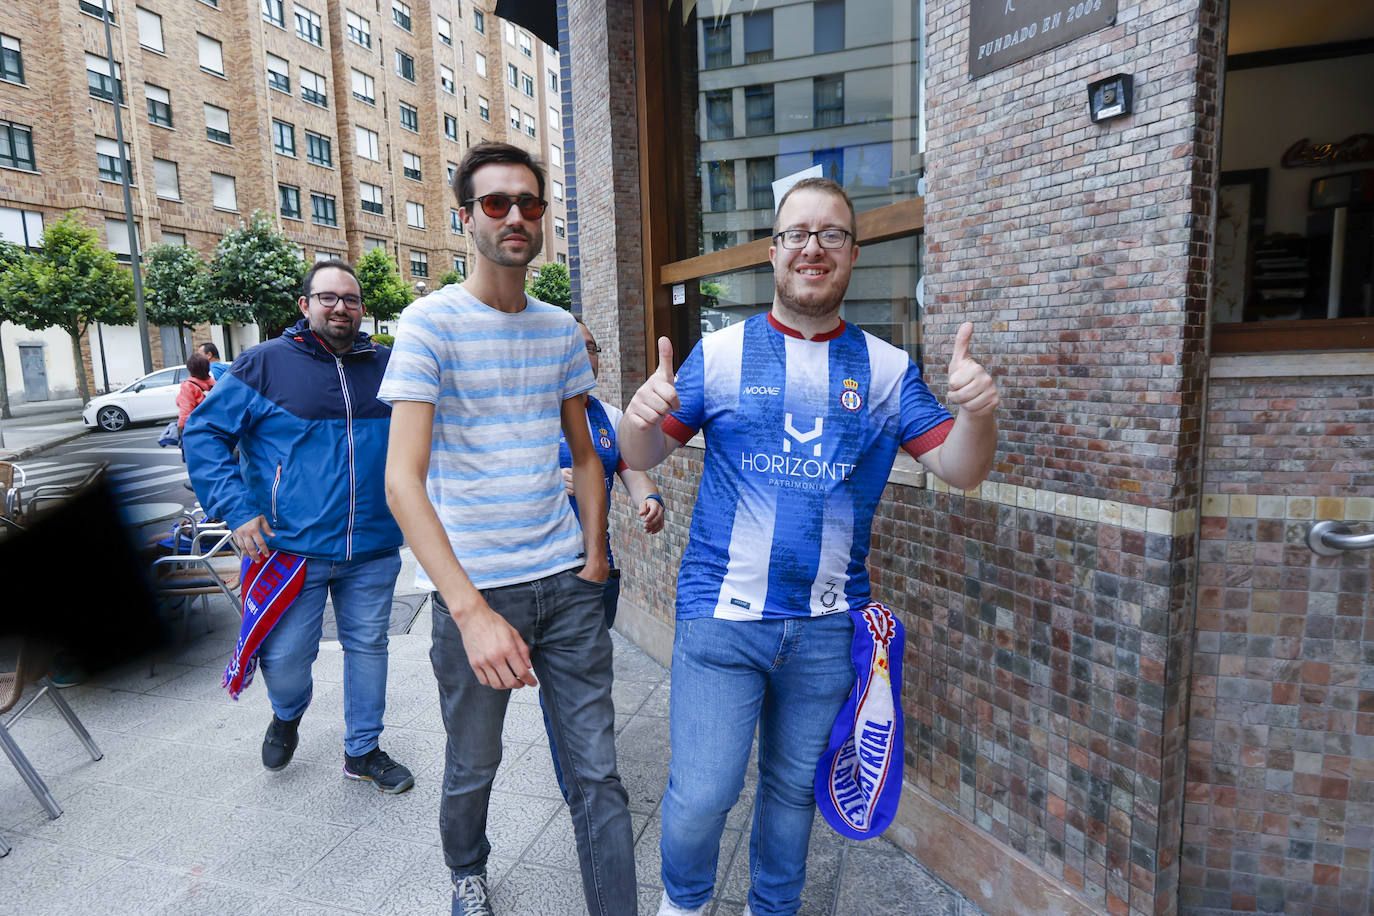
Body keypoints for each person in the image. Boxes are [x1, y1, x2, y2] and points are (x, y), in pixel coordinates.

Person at [618, 177, 1000, 916]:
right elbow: (644, 454)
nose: (813, 247)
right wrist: (640, 414)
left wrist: (977, 414)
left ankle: (773, 908)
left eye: (831, 234)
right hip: (723, 617)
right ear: (773, 252)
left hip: (828, 626)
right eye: (798, 233)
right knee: (703, 794)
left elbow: (962, 467)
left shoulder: (887, 371)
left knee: (793, 792)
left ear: (852, 254)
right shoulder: (722, 354)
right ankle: (685, 904)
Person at [381, 142, 636, 916]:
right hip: (477, 593)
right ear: (467, 219)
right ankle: (467, 871)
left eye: (529, 203)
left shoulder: (560, 329)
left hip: (566, 586)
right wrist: (471, 611)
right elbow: (402, 480)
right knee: (474, 763)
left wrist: (594, 558)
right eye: (497, 203)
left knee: (597, 773)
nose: (516, 216)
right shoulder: (428, 325)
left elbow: (587, 454)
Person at [184, 259, 413, 794]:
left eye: (351, 299)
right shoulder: (265, 364)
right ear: (305, 305)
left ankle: (363, 750)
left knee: (368, 647)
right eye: (328, 297)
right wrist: (237, 509)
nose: (341, 307)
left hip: (374, 545)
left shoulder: (388, 365)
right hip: (289, 550)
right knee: (286, 659)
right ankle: (286, 714)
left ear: (362, 308)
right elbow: (203, 434)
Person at [559, 321, 666, 628]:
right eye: (575, 347)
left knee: (590, 671)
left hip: (596, 567)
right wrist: (550, 483)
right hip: (541, 572)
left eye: (591, 348)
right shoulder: (532, 415)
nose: (586, 355)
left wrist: (650, 499)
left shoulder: (610, 417)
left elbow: (633, 472)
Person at [175, 352, 215, 438]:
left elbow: (186, 410)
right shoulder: (213, 383)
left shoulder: (189, 386)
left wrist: (181, 428)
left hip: (198, 428)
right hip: (215, 425)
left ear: (190, 368)